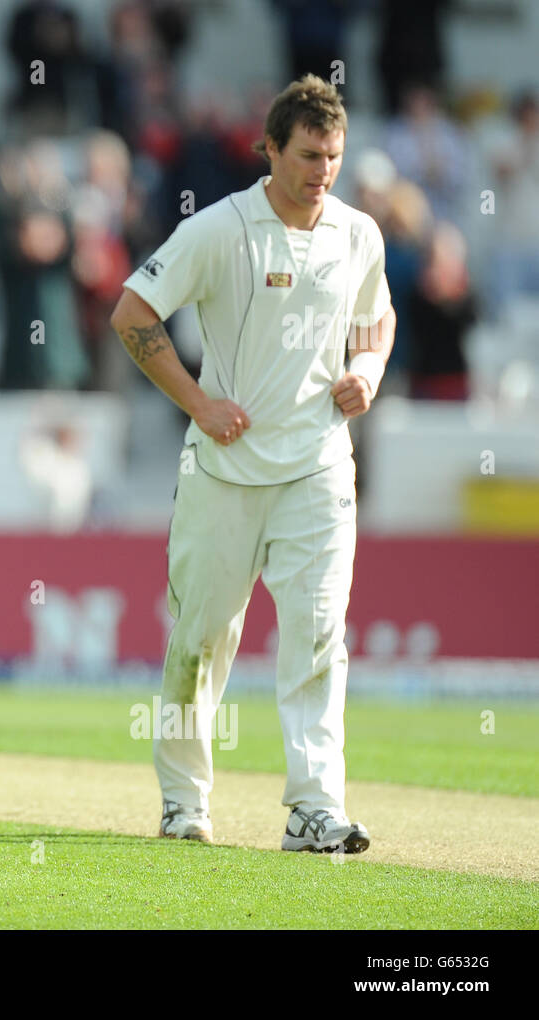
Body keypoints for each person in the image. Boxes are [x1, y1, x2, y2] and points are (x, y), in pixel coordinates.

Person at [110, 74, 395, 854]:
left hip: (319, 467)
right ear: (268, 149)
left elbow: (378, 317)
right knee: (202, 638)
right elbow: (133, 311)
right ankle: (183, 801)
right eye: (307, 155)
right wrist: (197, 405)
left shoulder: (357, 234)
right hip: (223, 472)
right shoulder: (220, 229)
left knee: (316, 636)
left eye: (334, 156)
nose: (322, 172)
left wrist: (365, 373)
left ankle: (314, 806)